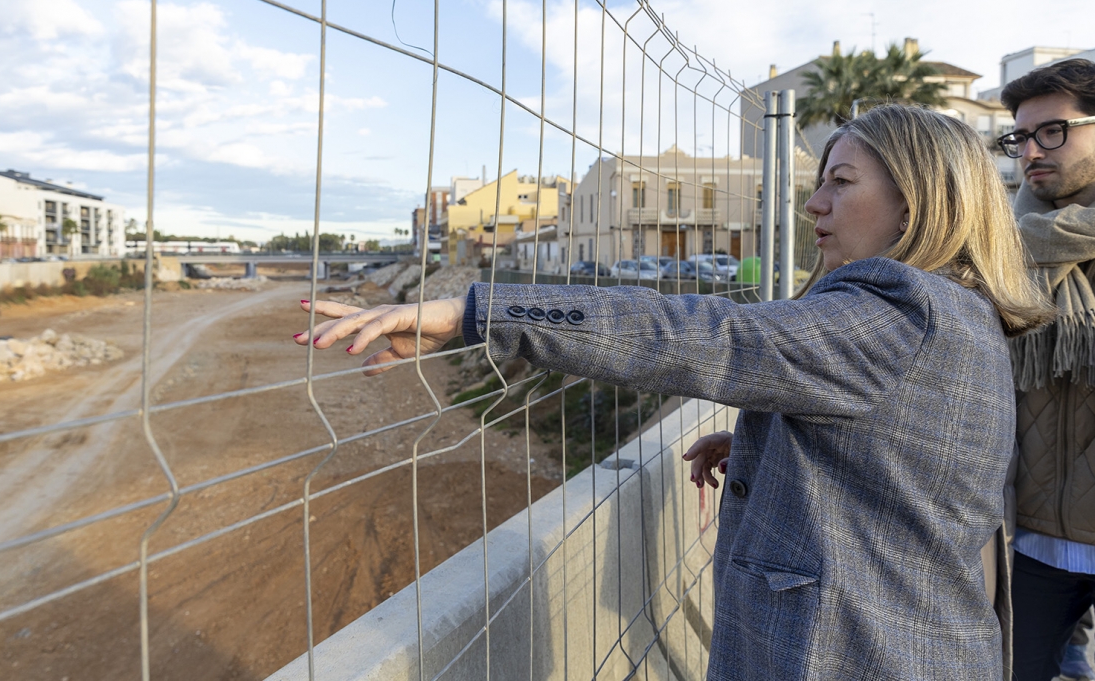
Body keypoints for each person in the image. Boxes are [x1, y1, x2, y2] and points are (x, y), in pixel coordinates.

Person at [293, 105, 1051, 680]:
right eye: (818, 182)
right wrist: (770, 442)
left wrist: (476, 312)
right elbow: (916, 462)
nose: (813, 204)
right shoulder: (960, 310)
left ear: (918, 199)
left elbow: (708, 334)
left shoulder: (897, 305)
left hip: (855, 653)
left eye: (841, 183)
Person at [998, 58, 1095, 681]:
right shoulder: (1003, 246)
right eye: (1021, 136)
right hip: (1030, 539)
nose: (1030, 152)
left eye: (1054, 131)